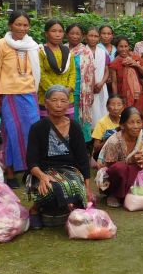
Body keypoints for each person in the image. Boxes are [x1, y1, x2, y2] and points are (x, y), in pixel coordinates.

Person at [25, 86, 93, 229]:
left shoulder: (74, 127)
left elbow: (82, 158)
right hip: (42, 170)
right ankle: (35, 209)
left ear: (68, 104)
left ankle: (67, 207)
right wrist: (42, 176)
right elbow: (31, 160)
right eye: (54, 100)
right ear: (46, 103)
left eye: (63, 101)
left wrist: (87, 189)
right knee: (51, 186)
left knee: (73, 184)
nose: (59, 104)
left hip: (69, 169)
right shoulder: (37, 128)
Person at [0, 10, 40, 187]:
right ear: (10, 25)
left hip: (29, 94)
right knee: (11, 133)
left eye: (25, 25)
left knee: (33, 133)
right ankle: (10, 172)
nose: (22, 28)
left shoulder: (33, 45)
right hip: (9, 95)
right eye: (18, 24)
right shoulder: (2, 44)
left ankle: (32, 172)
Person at [99, 107, 143, 207]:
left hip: (136, 168)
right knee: (119, 168)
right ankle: (115, 195)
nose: (136, 126)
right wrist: (130, 161)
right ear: (123, 125)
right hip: (118, 174)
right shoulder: (114, 141)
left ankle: (142, 189)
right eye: (131, 122)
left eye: (138, 122)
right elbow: (110, 167)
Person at [38, 19, 76, 117]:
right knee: (48, 128)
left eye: (60, 31)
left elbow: (72, 72)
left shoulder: (67, 52)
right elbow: (40, 74)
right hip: (47, 97)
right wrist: (54, 93)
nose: (57, 34)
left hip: (67, 97)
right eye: (53, 31)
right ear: (46, 33)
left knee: (67, 126)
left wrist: (68, 89)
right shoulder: (41, 51)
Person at [66, 23, 95, 142]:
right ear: (67, 35)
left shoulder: (86, 52)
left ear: (82, 36)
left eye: (78, 34)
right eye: (72, 33)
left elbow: (91, 74)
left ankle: (84, 148)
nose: (75, 36)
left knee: (82, 120)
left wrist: (91, 93)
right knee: (69, 119)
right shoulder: (62, 49)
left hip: (83, 92)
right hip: (66, 91)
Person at [110, 37, 143, 117]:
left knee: (139, 115)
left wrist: (136, 65)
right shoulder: (115, 63)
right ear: (117, 47)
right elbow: (114, 82)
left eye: (126, 46)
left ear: (129, 47)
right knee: (126, 117)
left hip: (137, 94)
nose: (124, 49)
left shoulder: (136, 58)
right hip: (123, 95)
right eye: (121, 46)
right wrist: (116, 98)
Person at [85, 27, 110, 127]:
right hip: (87, 87)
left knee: (102, 108)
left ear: (99, 38)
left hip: (101, 86)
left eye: (96, 36)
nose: (93, 38)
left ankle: (101, 132)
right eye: (91, 36)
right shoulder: (82, 51)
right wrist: (92, 85)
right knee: (90, 110)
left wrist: (101, 83)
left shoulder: (103, 53)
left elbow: (106, 70)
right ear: (85, 37)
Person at [92, 94, 123, 162]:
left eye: (119, 105)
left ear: (123, 107)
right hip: (106, 156)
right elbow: (96, 147)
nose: (116, 108)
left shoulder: (125, 122)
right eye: (112, 105)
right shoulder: (102, 123)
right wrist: (111, 139)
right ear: (107, 107)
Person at [99, 25, 117, 97]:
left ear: (112, 35)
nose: (106, 36)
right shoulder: (97, 48)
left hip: (115, 82)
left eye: (109, 34)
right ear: (99, 35)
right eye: (103, 33)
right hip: (101, 81)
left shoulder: (116, 48)